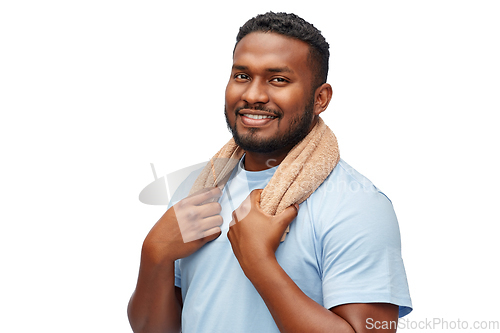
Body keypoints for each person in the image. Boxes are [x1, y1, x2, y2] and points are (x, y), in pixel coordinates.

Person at [128, 12, 412, 333]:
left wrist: (259, 263)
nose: (253, 95)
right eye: (242, 76)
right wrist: (154, 254)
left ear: (320, 98)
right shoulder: (197, 192)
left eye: (278, 80)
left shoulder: (357, 205)